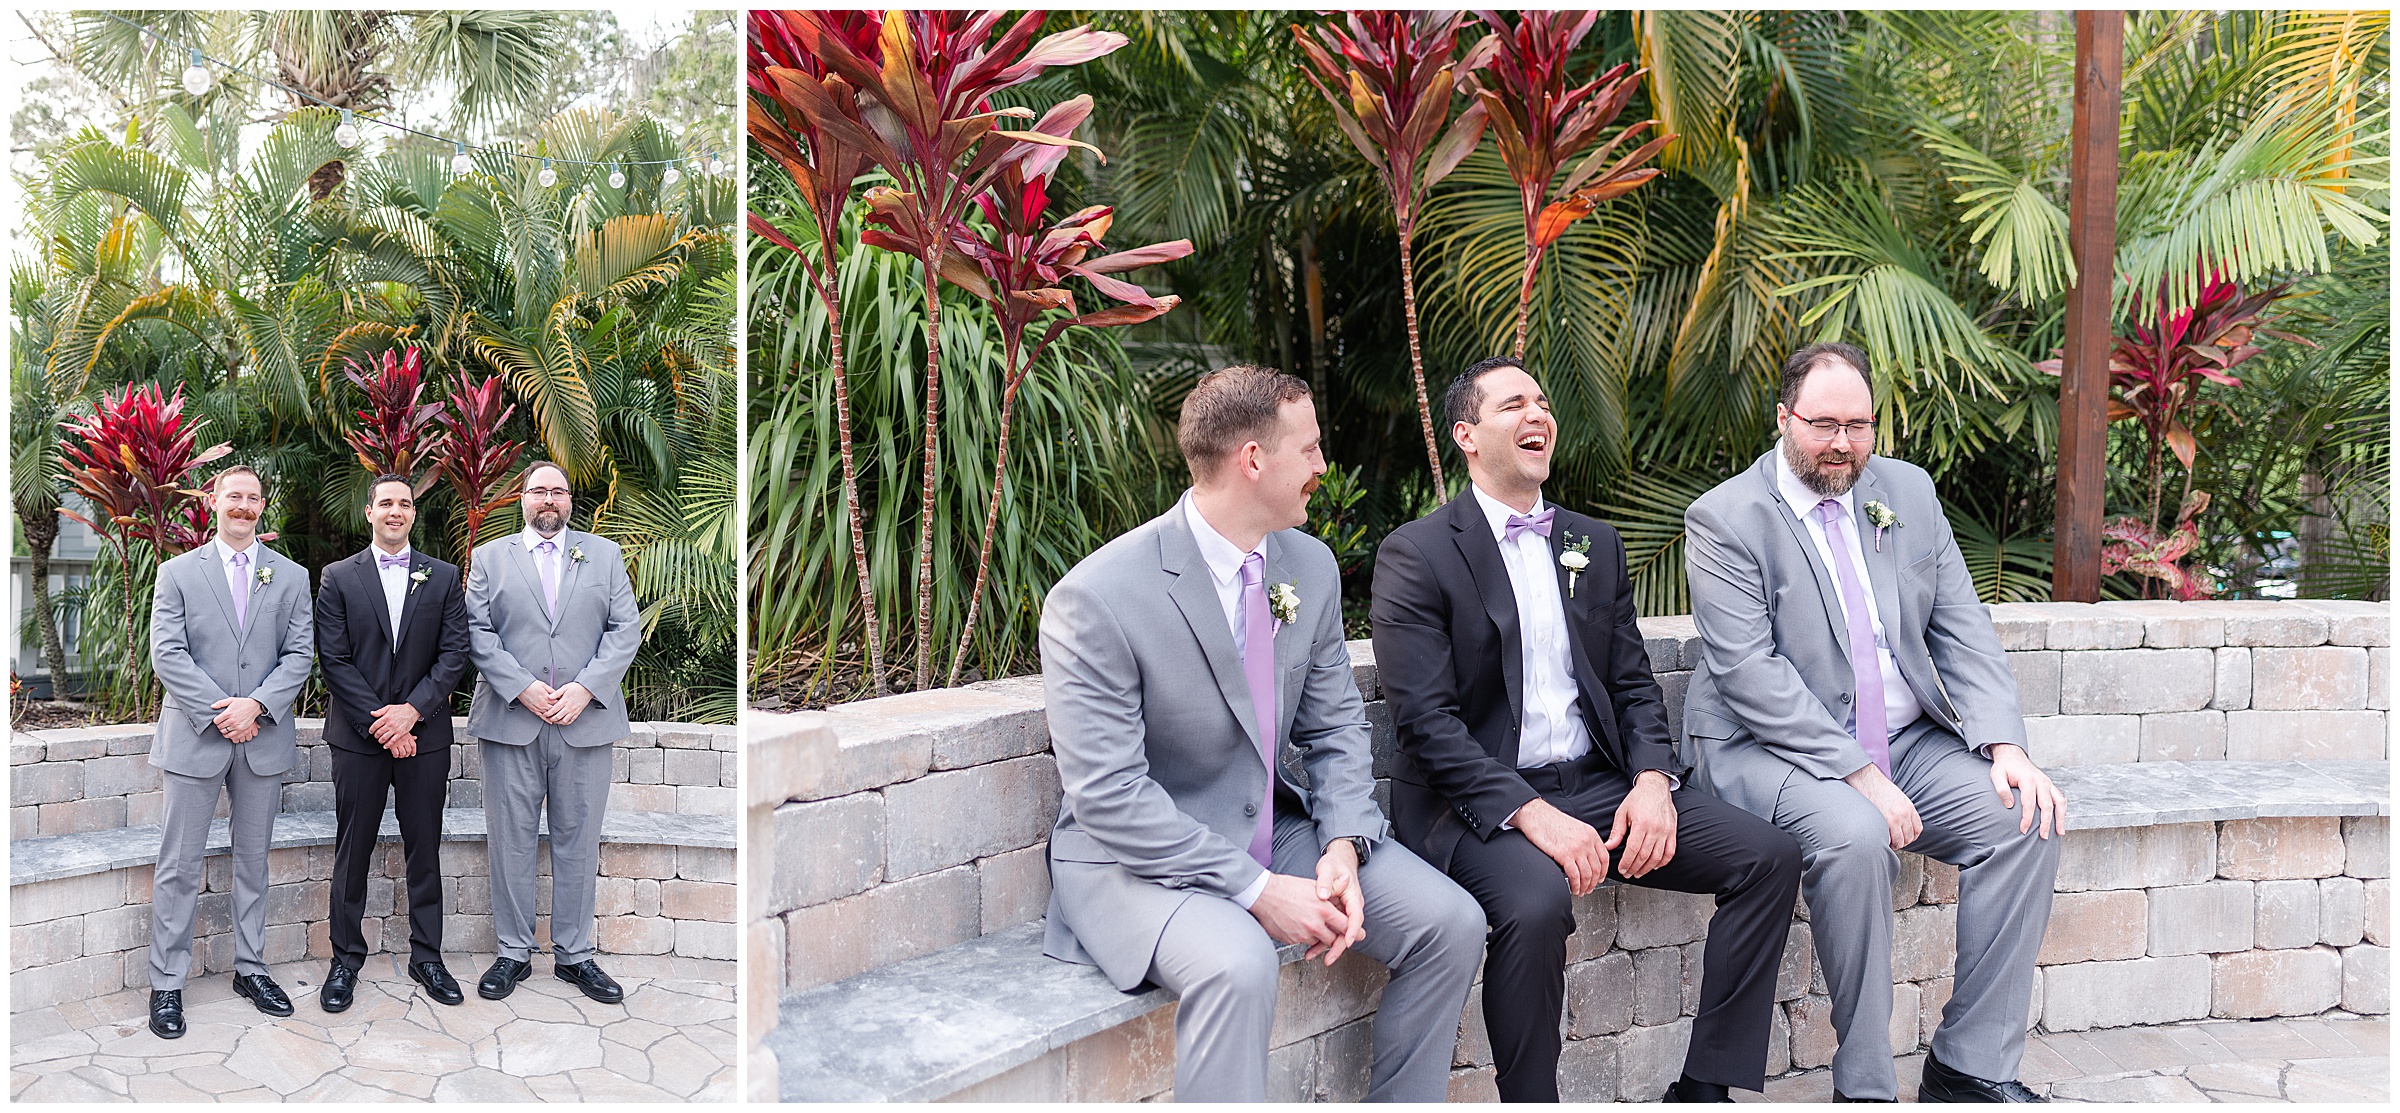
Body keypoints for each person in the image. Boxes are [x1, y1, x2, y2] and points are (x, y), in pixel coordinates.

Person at [1039, 365, 1485, 1102]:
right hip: (1135, 859)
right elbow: (1110, 797)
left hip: (1277, 828)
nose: (1322, 467)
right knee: (1240, 962)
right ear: (1253, 459)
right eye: (1308, 450)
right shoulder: (1097, 597)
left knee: (1451, 922)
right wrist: (1257, 890)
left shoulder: (1306, 565)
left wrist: (1342, 841)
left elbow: (1337, 723)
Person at [1372, 357, 1804, 1103]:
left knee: (1768, 855)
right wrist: (1533, 815)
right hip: (1481, 804)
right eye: (1514, 404)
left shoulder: (1592, 543)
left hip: (1601, 783)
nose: (1538, 412)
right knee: (1536, 901)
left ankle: (1704, 1088)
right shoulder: (1417, 553)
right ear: (1466, 435)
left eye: (1543, 399)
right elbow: (1428, 725)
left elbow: (1633, 685)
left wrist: (1651, 783)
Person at [1682, 341, 2065, 1103]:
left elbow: (1961, 626)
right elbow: (1752, 677)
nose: (1842, 443)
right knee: (1857, 837)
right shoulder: (1725, 518)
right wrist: (1860, 776)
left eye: (1859, 425)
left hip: (1906, 740)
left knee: (2025, 817)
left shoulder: (1906, 492)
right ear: (1784, 418)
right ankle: (1865, 1085)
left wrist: (2006, 744)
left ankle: (1970, 1065)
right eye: (1823, 423)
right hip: (1767, 747)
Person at [145, 466, 316, 1038]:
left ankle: (250, 968)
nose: (243, 506)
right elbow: (167, 653)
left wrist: (257, 708)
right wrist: (224, 710)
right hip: (196, 737)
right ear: (213, 502)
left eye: (252, 498)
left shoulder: (290, 576)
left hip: (261, 738)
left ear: (261, 507)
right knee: (178, 865)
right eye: (233, 496)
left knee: (253, 862)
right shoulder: (176, 573)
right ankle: (167, 983)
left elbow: (298, 654)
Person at [463, 461, 641, 1004]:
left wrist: (586, 689)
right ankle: (513, 953)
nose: (548, 500)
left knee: (578, 841)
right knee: (510, 841)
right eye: (538, 490)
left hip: (583, 722)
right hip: (511, 719)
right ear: (522, 498)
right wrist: (522, 687)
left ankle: (575, 956)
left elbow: (624, 628)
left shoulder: (605, 556)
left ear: (569, 500)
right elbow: (476, 630)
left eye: (558, 492)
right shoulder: (490, 558)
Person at [315, 473, 472, 1010]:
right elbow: (333, 661)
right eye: (386, 503)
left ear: (412, 514)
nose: (396, 511)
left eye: (405, 503)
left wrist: (411, 715)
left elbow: (454, 655)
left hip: (424, 737)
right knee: (352, 850)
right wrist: (382, 724)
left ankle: (427, 956)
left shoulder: (444, 576)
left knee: (424, 849)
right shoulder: (338, 577)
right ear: (369, 512)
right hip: (358, 740)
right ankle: (344, 961)